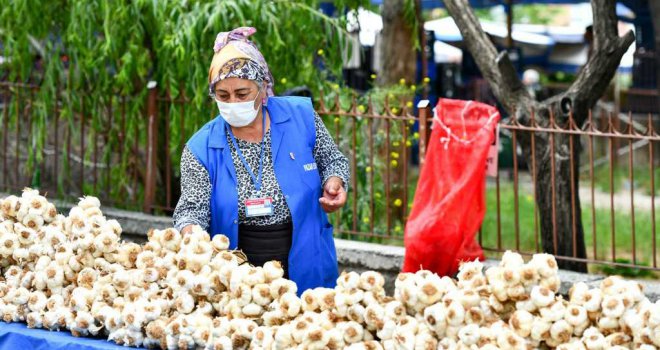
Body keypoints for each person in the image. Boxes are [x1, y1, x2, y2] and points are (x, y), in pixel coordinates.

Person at [173, 27, 350, 292]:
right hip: (238, 275)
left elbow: (332, 160)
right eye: (223, 95)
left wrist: (335, 182)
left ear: (262, 88)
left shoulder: (300, 117)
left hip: (306, 261)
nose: (233, 102)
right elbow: (191, 210)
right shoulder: (201, 148)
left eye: (242, 94)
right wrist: (191, 235)